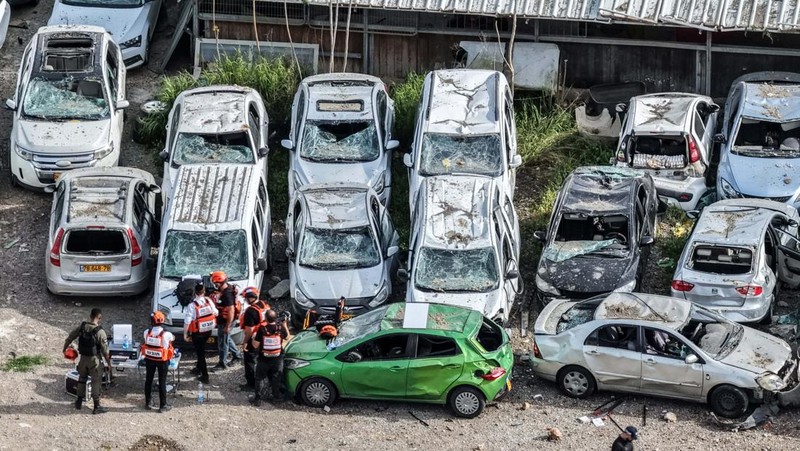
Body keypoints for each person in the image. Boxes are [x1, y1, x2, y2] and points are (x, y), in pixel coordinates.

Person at [63, 308, 111, 414]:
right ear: (100, 318)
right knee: (96, 381)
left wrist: (64, 348)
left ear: (90, 316)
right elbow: (105, 351)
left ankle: (79, 402)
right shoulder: (100, 332)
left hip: (83, 359)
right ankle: (96, 406)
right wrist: (109, 363)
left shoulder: (82, 327)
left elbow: (70, 337)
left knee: (82, 379)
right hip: (94, 360)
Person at [249, 309, 290, 407]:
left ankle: (257, 399)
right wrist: (284, 324)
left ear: (266, 318)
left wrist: (253, 338)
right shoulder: (280, 327)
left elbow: (255, 345)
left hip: (264, 359)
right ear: (275, 318)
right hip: (277, 358)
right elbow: (287, 337)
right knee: (276, 377)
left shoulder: (262, 329)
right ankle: (276, 397)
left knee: (259, 378)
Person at [142, 311, 175, 413]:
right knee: (162, 382)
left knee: (149, 380)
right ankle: (163, 405)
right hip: (162, 361)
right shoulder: (167, 334)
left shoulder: (146, 332)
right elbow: (173, 338)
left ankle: (148, 403)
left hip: (149, 359)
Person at [185, 283, 218, 384]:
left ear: (194, 293)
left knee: (200, 354)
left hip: (198, 333)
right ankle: (198, 368)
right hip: (208, 330)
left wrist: (185, 334)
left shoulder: (192, 305)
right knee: (201, 348)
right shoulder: (209, 301)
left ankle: (205, 376)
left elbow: (187, 321)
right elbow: (216, 312)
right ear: (204, 292)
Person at [238, 287, 270, 392]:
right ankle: (264, 380)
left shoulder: (250, 311)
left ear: (251, 298)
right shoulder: (264, 305)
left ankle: (251, 384)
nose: (245, 300)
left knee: (249, 361)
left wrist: (245, 342)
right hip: (265, 337)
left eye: (246, 298)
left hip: (254, 338)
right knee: (262, 359)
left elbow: (249, 330)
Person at [210, 270, 243, 370]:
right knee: (226, 338)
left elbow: (231, 311)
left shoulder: (227, 294)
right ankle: (237, 355)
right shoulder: (226, 289)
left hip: (226, 322)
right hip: (224, 320)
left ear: (219, 282)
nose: (214, 285)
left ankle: (222, 363)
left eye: (215, 283)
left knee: (223, 342)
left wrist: (228, 326)